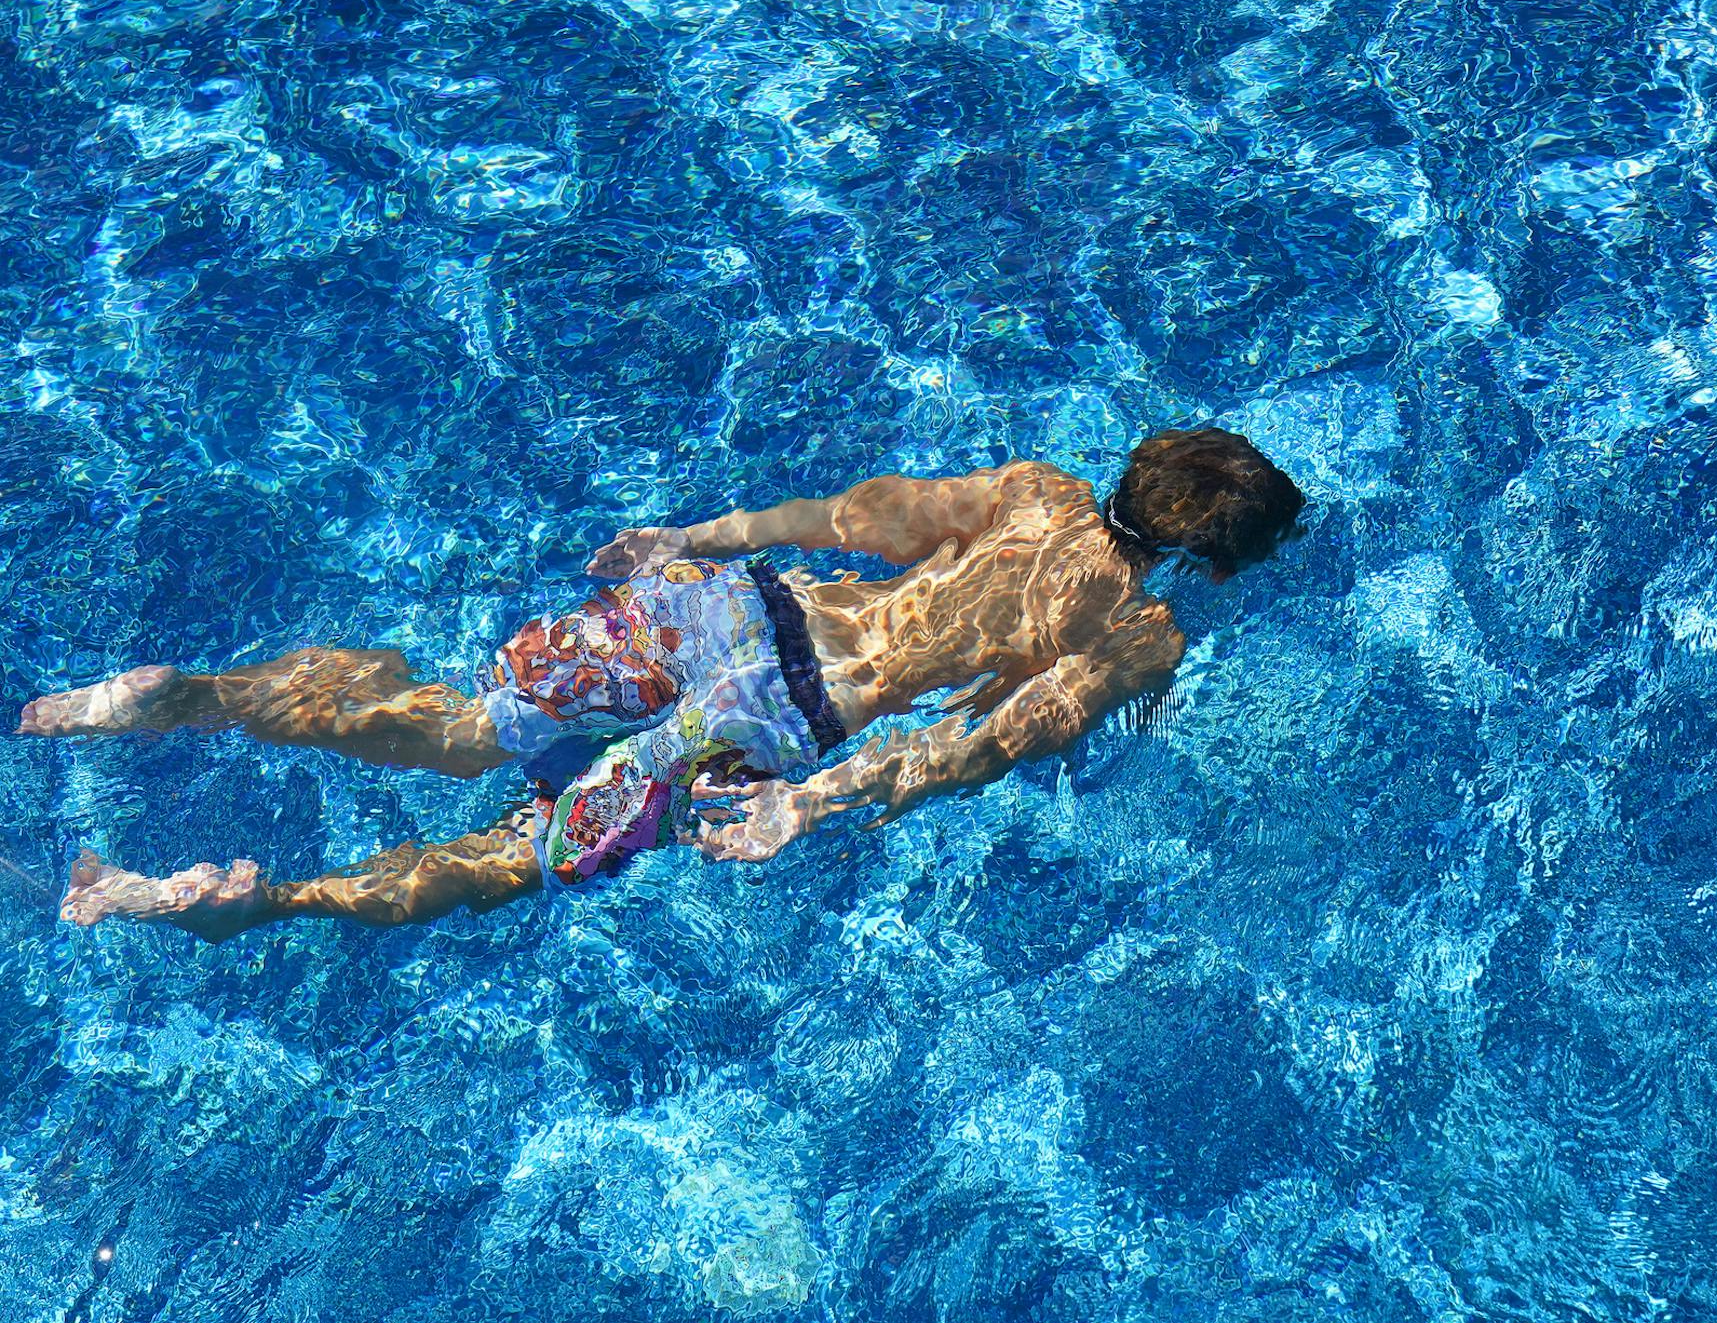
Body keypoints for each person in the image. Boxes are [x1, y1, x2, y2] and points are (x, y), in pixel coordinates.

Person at [20, 429, 1306, 941]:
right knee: (512, 851)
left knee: (463, 723)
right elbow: (977, 747)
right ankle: (247, 900)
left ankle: (189, 693)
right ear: (1208, 551)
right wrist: (818, 803)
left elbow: (855, 517)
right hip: (773, 719)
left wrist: (700, 537)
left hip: (728, 608)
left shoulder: (1035, 490)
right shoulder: (1140, 638)